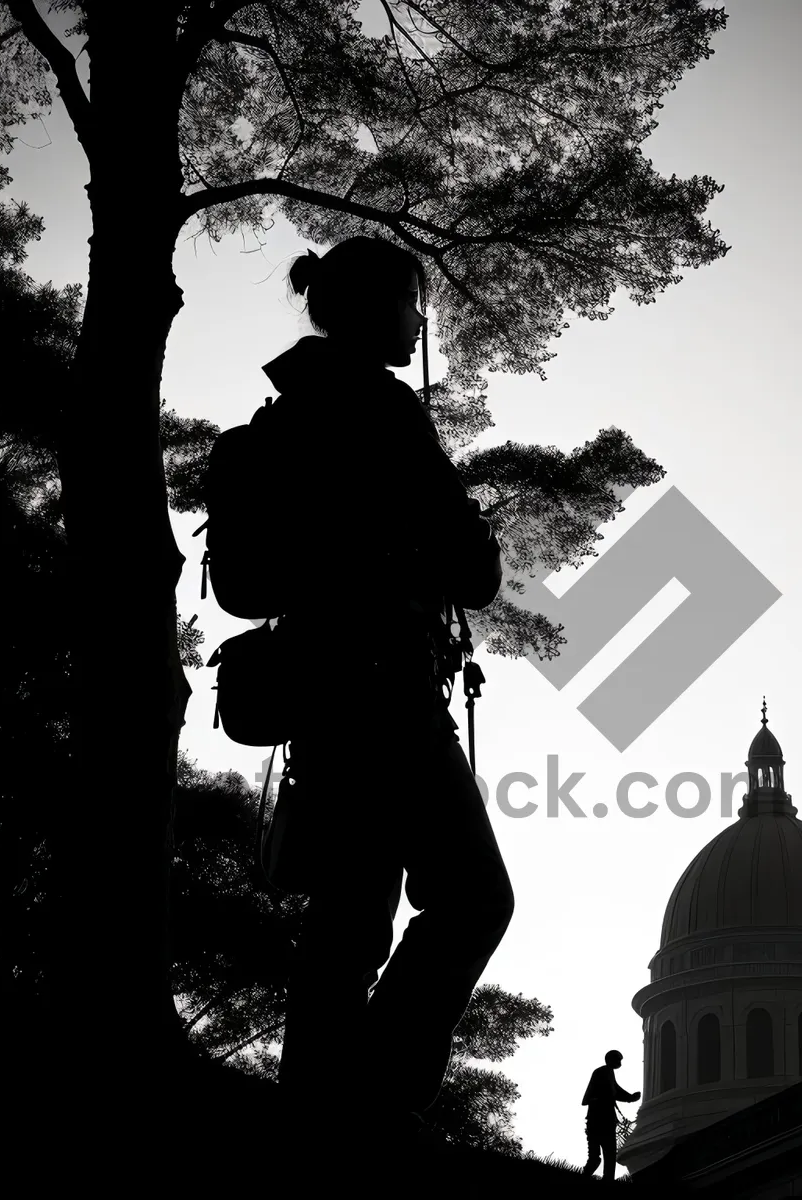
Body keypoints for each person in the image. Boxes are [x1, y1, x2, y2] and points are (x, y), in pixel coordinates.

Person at [264, 236, 513, 1149]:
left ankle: (315, 1102)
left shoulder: (294, 404)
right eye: (413, 302)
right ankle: (370, 1097)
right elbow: (472, 569)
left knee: (353, 910)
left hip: (322, 699)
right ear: (379, 308)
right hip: (390, 697)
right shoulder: (383, 408)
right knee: (473, 897)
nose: (420, 320)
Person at [581, 1050, 641, 1182]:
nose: (620, 1063)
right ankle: (584, 1177)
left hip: (606, 1120)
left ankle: (607, 1180)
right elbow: (611, 1092)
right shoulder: (601, 1072)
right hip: (597, 1120)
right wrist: (629, 1097)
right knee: (596, 1157)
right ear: (611, 1060)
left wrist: (630, 1097)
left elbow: (615, 1090)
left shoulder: (609, 1073)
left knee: (609, 1154)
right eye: (618, 1060)